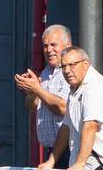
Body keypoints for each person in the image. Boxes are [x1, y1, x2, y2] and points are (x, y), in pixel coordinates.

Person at [37, 47, 103, 170]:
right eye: (63, 66)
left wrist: (79, 164)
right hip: (88, 166)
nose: (67, 70)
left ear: (85, 64)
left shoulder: (94, 86)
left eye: (72, 65)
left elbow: (91, 126)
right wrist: (51, 161)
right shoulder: (75, 88)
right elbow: (66, 128)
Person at [16, 24, 73, 162]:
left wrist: (37, 89)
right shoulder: (46, 72)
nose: (49, 50)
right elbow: (33, 106)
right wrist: (31, 92)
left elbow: (62, 107)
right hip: (50, 150)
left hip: (68, 151)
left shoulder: (70, 71)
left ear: (68, 45)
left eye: (54, 45)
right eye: (45, 46)